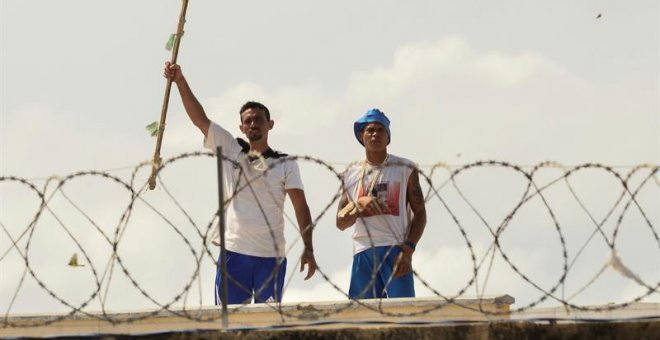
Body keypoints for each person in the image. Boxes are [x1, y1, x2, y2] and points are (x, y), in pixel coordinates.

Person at [164, 62, 317, 304]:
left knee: (267, 325)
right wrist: (180, 81)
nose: (254, 124)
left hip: (271, 254)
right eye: (248, 121)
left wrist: (308, 248)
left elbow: (301, 206)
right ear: (242, 127)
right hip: (234, 252)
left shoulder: (285, 163)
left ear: (270, 124)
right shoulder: (231, 149)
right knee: (230, 323)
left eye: (259, 120)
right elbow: (199, 119)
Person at [336, 108, 426, 299]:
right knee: (363, 315)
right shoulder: (351, 173)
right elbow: (340, 222)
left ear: (388, 137)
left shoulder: (405, 168)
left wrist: (408, 250)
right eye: (370, 130)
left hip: (395, 247)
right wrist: (358, 206)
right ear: (362, 136)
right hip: (363, 250)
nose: (375, 134)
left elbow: (420, 214)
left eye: (380, 130)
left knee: (402, 312)